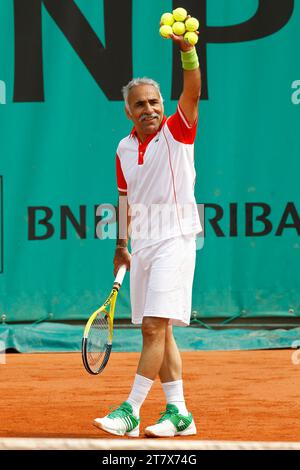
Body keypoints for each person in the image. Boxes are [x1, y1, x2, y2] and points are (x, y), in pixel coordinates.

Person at [94, 29, 202, 438]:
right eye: (140, 104)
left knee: (153, 328)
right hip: (143, 247)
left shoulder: (178, 132)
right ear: (128, 111)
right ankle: (179, 413)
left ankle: (131, 410)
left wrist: (188, 51)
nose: (149, 109)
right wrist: (121, 244)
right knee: (165, 330)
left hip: (176, 240)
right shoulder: (123, 149)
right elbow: (124, 199)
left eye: (155, 101)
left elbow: (192, 89)